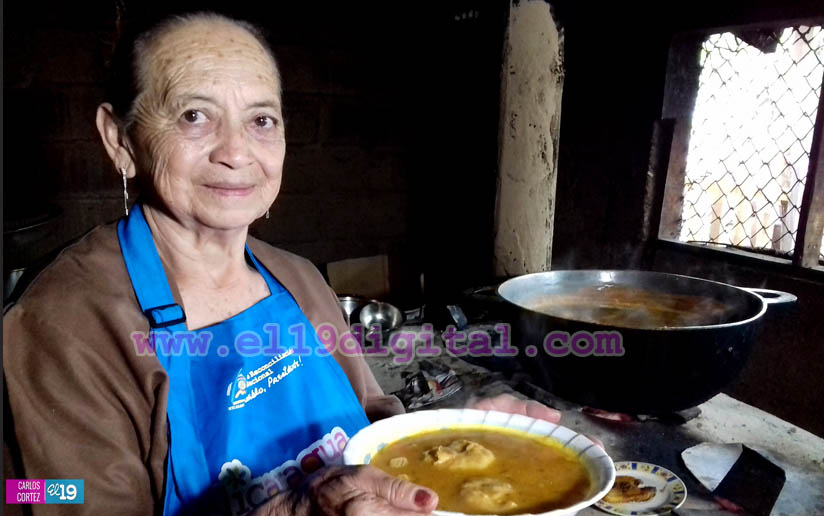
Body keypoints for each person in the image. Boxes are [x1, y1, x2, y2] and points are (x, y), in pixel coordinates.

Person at [3, 12, 562, 516]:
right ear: (120, 139)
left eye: (262, 120)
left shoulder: (297, 278)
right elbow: (46, 495)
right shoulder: (59, 324)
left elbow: (372, 424)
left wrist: (458, 440)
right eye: (195, 115)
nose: (237, 151)